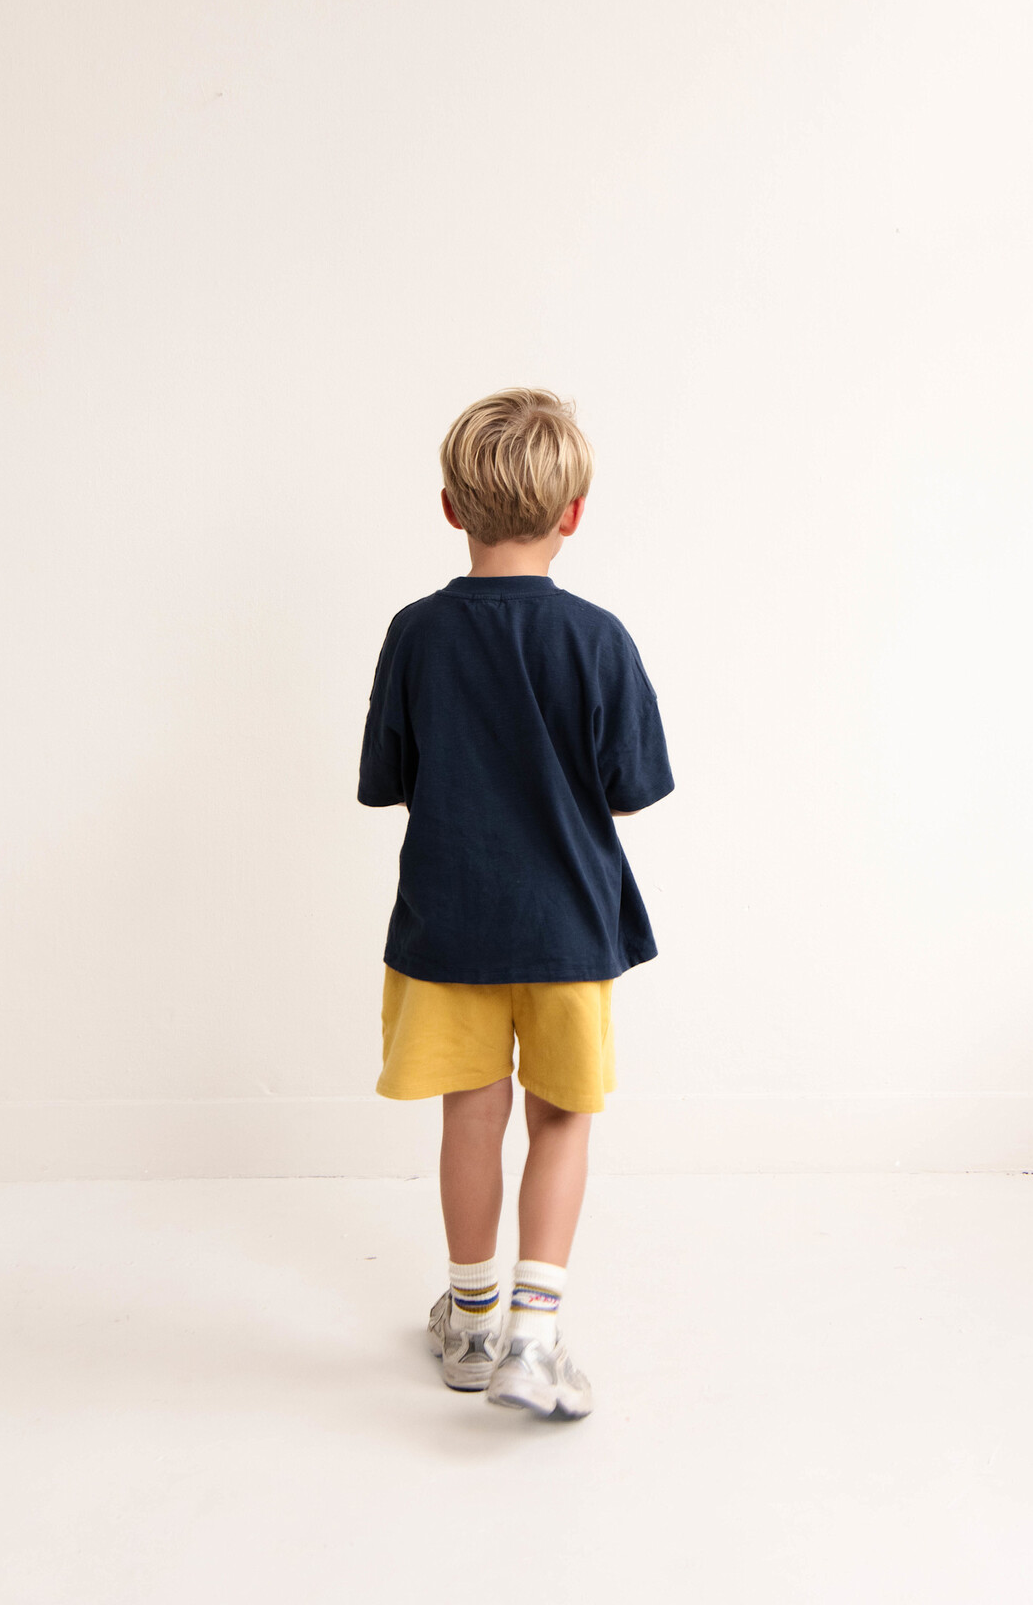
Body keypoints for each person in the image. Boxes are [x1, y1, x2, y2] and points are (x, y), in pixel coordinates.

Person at [357, 387, 674, 1420]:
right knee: (561, 1118)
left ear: (452, 506)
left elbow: (392, 778)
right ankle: (534, 1338)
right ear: (573, 513)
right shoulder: (599, 637)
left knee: (470, 1113)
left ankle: (470, 1322)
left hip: (447, 925)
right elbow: (630, 787)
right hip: (569, 926)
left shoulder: (415, 634)